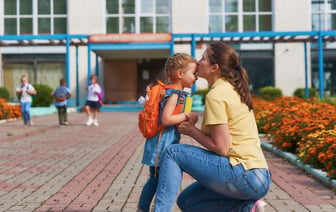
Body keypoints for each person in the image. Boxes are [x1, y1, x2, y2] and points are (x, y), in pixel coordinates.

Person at [154, 42, 271, 212]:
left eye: (203, 58)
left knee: (174, 152)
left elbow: (222, 148)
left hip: (245, 175)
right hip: (259, 176)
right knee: (187, 201)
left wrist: (191, 131)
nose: (198, 61)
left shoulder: (217, 95)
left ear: (214, 67)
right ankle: (247, 207)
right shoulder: (231, 88)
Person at [137, 53, 198, 212]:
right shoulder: (175, 94)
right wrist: (186, 115)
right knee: (155, 179)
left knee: (155, 179)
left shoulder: (172, 92)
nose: (196, 77)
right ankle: (142, 208)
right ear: (180, 74)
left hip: (160, 143)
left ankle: (143, 208)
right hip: (161, 145)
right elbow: (166, 119)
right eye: (193, 73)